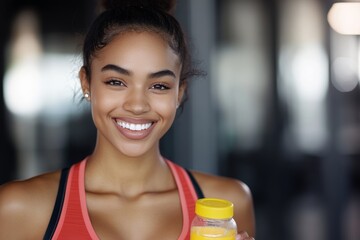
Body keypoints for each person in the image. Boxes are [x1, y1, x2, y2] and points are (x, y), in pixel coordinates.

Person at [0, 0, 255, 239]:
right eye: (116, 82)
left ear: (180, 93)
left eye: (159, 86)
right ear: (86, 83)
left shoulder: (226, 206)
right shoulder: (20, 209)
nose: (137, 105)